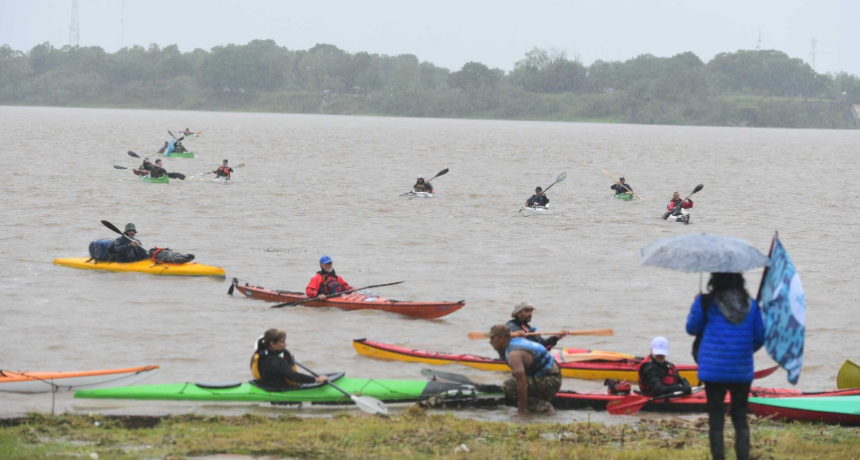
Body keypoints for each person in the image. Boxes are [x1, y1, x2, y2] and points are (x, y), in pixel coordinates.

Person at [686, 273, 765, 460]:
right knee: (740, 416)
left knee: (716, 418)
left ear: (715, 280)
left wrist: (696, 305)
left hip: (713, 370)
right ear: (740, 280)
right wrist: (744, 352)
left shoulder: (706, 302)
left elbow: (692, 328)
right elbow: (760, 337)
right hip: (741, 371)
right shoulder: (752, 305)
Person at [489, 325, 562, 415]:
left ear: (502, 338)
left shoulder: (513, 355)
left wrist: (521, 411)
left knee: (509, 385)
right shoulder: (516, 340)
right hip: (553, 376)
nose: (490, 342)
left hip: (552, 381)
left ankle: (543, 406)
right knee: (515, 377)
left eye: (492, 338)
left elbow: (522, 385)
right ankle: (539, 398)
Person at [250, 329, 328, 390]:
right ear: (272, 344)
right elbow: (295, 377)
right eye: (282, 342)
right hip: (278, 389)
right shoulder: (276, 361)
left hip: (264, 384)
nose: (285, 344)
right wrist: (317, 380)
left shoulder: (260, 354)